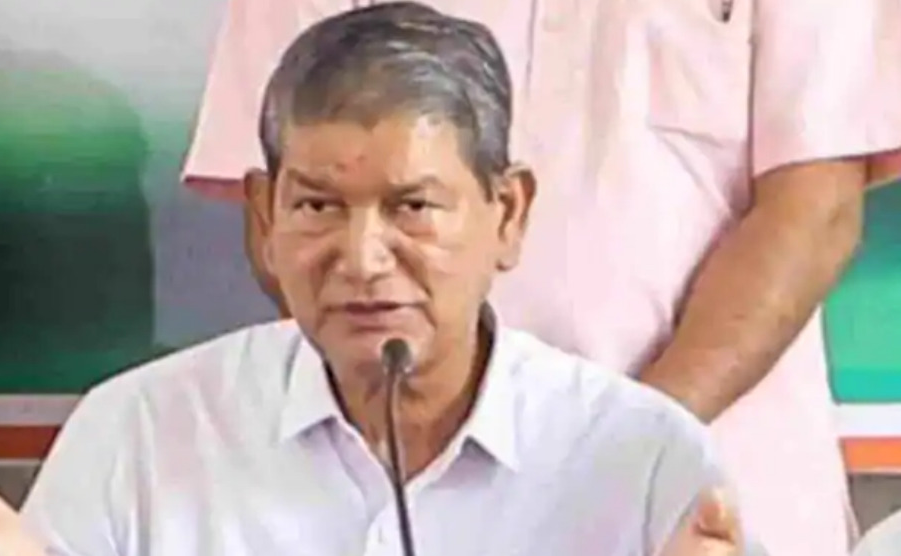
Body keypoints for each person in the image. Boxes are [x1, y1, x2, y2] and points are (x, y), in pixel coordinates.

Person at [0, 5, 762, 555]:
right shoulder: (138, 435)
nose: (362, 259)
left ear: (506, 214)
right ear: (265, 216)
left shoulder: (645, 459)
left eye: (413, 208)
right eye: (318, 206)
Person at [183, 0, 901, 554]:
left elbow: (815, 210)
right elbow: (295, 213)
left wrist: (617, 453)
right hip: (411, 497)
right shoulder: (140, 436)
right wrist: (467, 453)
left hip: (711, 499)